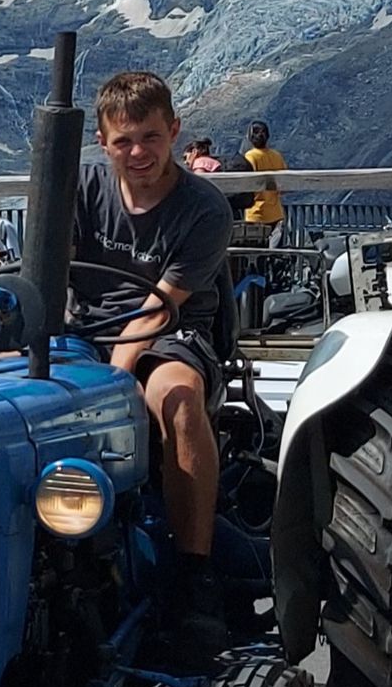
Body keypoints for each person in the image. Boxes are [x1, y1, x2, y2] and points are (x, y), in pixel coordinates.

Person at [72, 71, 234, 653]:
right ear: (101, 141)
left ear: (174, 131)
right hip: (82, 330)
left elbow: (159, 307)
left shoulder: (205, 210)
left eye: (149, 137)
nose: (138, 153)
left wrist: (113, 383)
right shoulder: (81, 191)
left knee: (176, 397)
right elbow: (44, 271)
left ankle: (195, 572)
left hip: (172, 331)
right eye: (123, 141)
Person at [231, 120, 286, 242]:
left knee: (254, 252)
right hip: (276, 213)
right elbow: (284, 187)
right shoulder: (277, 156)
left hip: (255, 213)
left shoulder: (250, 156)